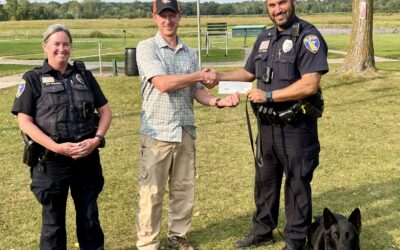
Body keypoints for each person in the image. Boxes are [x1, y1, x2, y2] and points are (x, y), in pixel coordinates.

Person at [215, 0, 329, 249]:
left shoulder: (308, 37)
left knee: (297, 184)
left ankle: (296, 240)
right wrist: (218, 76)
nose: (277, 10)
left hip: (296, 127)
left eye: (282, 3)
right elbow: (247, 74)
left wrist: (268, 96)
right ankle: (263, 231)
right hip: (266, 127)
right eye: (271, 4)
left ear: (294, 2)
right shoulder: (265, 37)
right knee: (265, 182)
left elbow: (310, 84)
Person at [135, 0, 240, 249]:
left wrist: (218, 102)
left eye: (172, 15)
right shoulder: (146, 48)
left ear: (180, 16)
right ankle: (148, 244)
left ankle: (177, 237)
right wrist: (199, 75)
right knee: (152, 192)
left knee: (183, 189)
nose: (168, 21)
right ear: (154, 18)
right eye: (163, 15)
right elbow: (163, 84)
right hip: (157, 133)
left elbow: (197, 90)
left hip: (185, 131)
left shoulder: (190, 53)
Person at [11, 24, 112, 250]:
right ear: (45, 46)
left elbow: (105, 111)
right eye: (56, 44)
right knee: (53, 223)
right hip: (51, 162)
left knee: (89, 217)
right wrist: (56, 147)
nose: (61, 49)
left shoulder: (83, 76)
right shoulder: (33, 79)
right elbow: (24, 122)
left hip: (86, 159)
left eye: (66, 44)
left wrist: (96, 139)